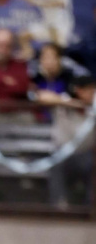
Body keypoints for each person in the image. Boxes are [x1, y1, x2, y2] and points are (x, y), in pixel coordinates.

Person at [48, 75, 95, 208]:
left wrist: (87, 106)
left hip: (86, 155)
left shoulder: (93, 108)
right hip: (62, 155)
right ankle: (59, 205)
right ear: (78, 90)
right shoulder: (63, 103)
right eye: (89, 90)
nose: (92, 94)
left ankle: (90, 206)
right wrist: (73, 103)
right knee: (57, 165)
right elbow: (40, 96)